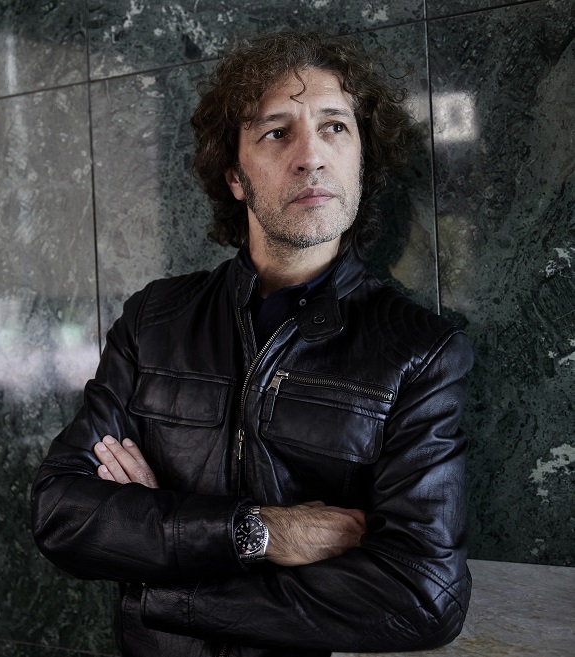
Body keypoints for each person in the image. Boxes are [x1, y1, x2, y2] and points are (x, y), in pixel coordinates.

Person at [32, 30, 472, 657]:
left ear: (361, 160)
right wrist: (258, 532)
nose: (311, 156)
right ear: (235, 176)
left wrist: (160, 577)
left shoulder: (420, 352)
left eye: (335, 128)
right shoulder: (154, 321)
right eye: (276, 132)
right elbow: (61, 510)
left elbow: (423, 595)